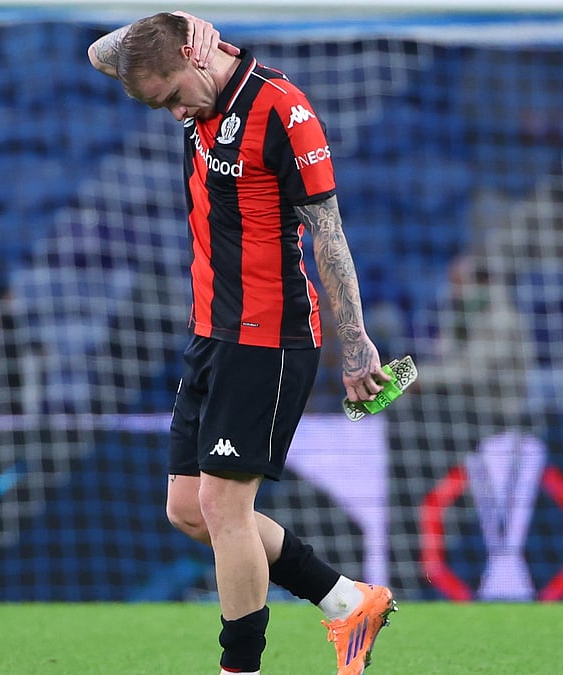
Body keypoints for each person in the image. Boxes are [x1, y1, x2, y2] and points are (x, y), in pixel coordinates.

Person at [88, 13, 395, 674]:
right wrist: (182, 16)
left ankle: (240, 669)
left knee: (225, 508)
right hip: (212, 332)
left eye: (172, 96)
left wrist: (357, 346)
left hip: (271, 336)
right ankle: (349, 601)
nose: (173, 115)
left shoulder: (282, 110)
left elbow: (328, 234)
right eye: (157, 105)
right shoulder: (184, 66)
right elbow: (99, 52)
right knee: (187, 508)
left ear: (195, 64)